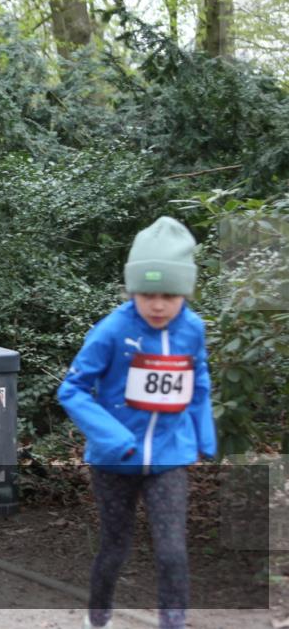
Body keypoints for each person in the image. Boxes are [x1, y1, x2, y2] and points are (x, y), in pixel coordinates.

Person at [57, 216, 216, 629]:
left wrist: (204, 432)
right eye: (147, 294)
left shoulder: (193, 329)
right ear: (131, 290)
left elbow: (197, 381)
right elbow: (72, 390)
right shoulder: (111, 330)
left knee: (172, 552)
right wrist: (113, 436)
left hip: (169, 457)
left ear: (185, 291)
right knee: (114, 547)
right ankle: (98, 618)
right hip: (114, 462)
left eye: (169, 295)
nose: (158, 305)